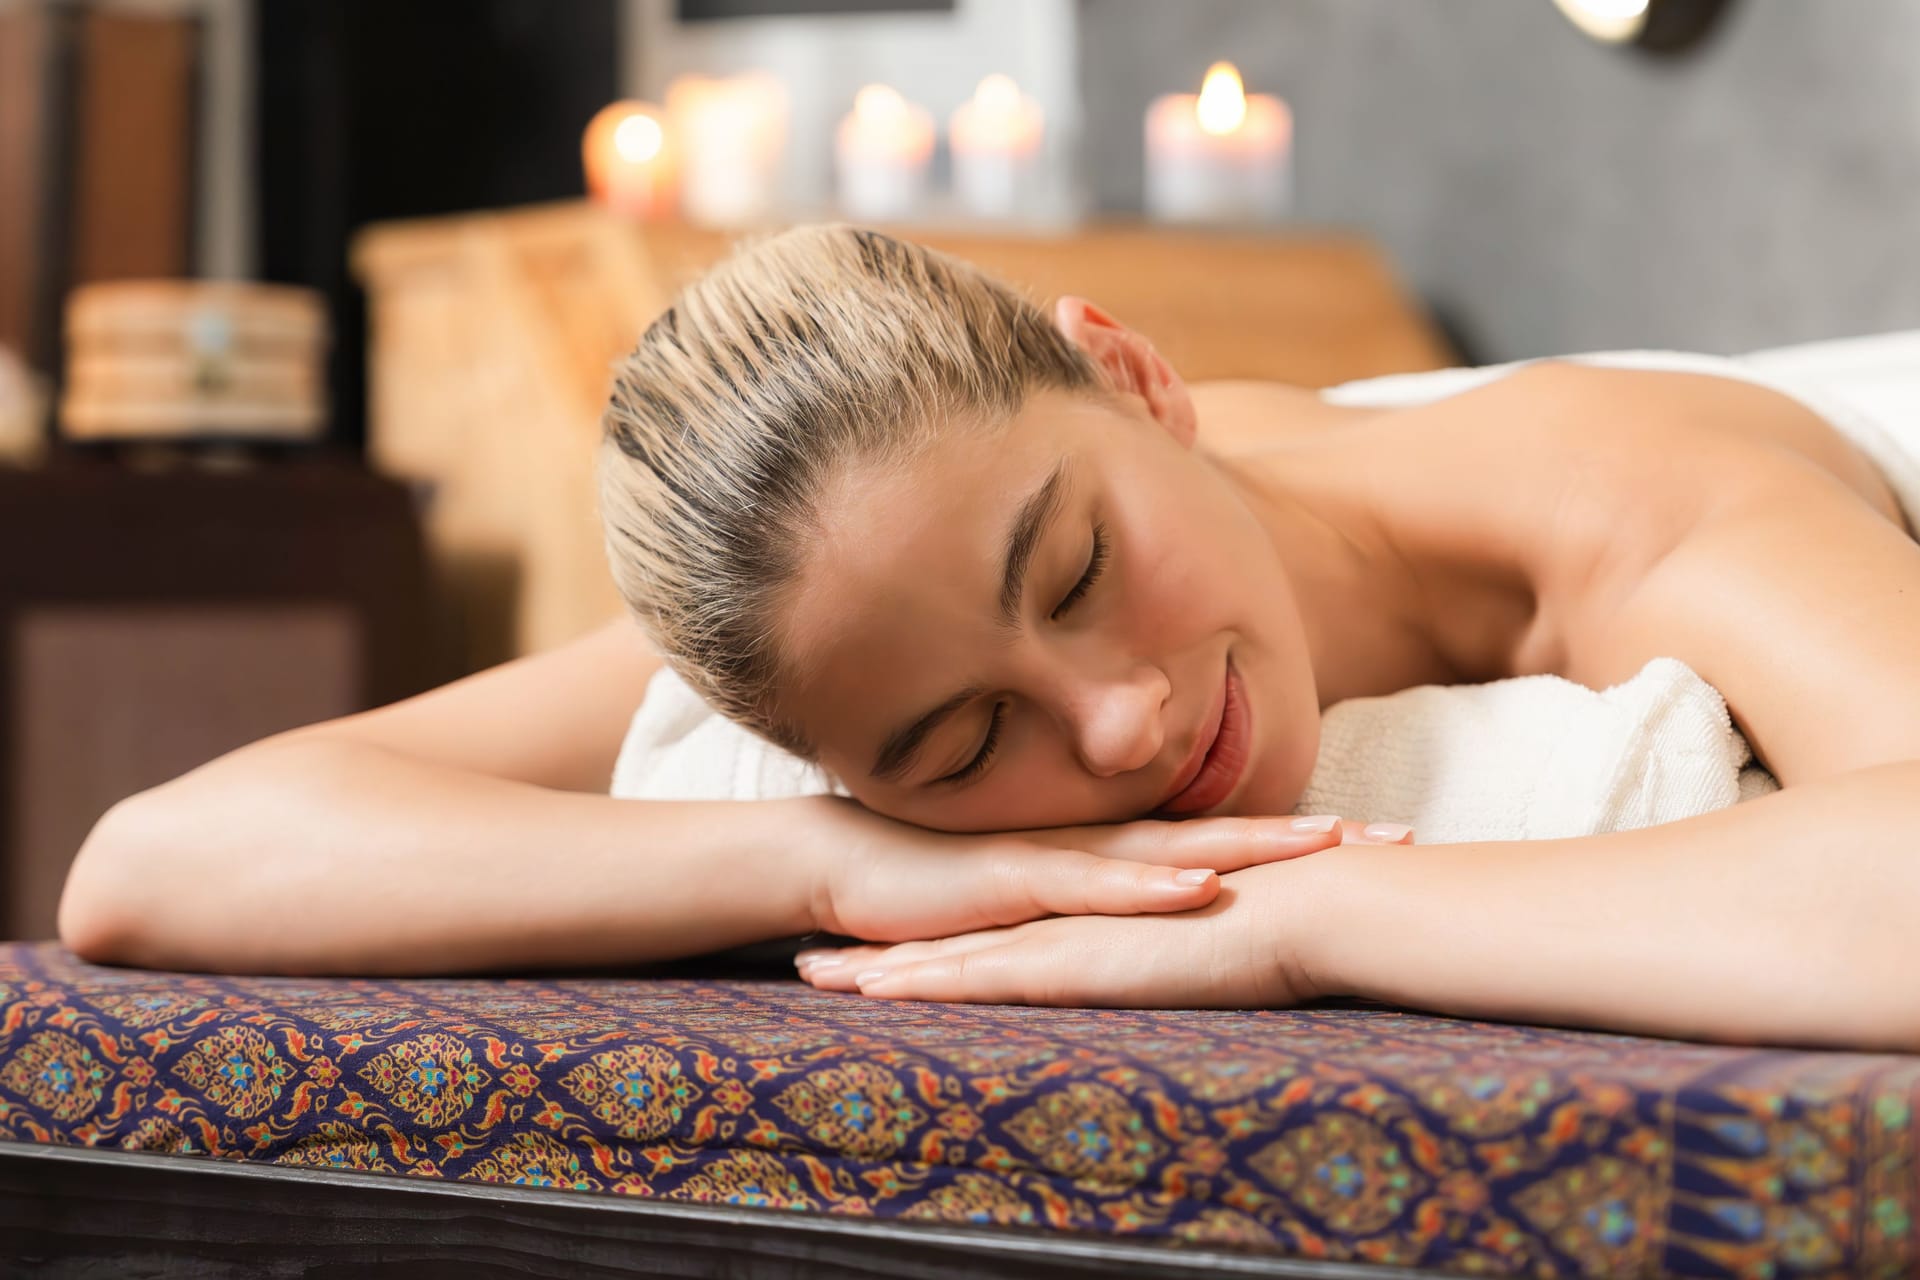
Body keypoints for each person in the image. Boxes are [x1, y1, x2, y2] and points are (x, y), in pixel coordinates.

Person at [58, 226, 1920, 1051]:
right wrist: (829, 859)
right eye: (959, 746)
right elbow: (154, 864)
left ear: (1128, 373)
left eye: (1083, 565)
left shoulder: (1619, 495)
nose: (1115, 733)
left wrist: (1299, 921)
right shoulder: (860, 595)